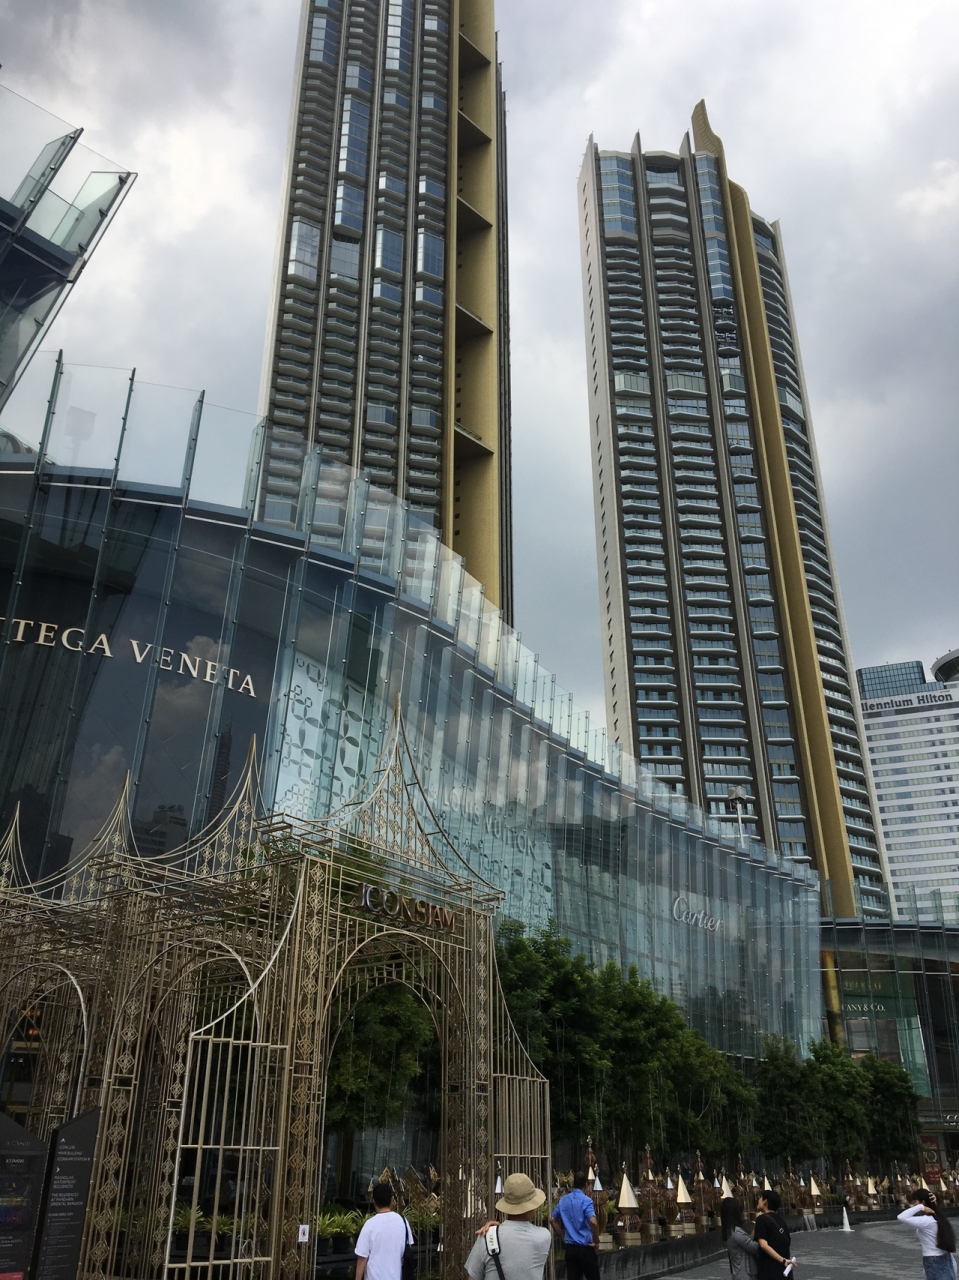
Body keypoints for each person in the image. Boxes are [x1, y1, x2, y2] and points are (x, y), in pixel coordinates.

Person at [465, 1173, 552, 1280]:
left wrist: (494, 1231)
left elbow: (472, 1277)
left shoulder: (486, 1237)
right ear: (532, 1207)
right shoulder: (543, 1237)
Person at [550, 1172, 600, 1280]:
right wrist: (596, 1241)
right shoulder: (586, 1201)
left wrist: (563, 1236)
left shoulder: (563, 1200)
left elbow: (552, 1220)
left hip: (571, 1248)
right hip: (586, 1248)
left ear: (573, 1183)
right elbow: (593, 1222)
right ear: (586, 1184)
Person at [898, 1188, 958, 1279]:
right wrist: (930, 1204)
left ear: (923, 1202)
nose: (914, 1204)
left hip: (933, 1259)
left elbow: (901, 1217)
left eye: (915, 1201)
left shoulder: (926, 1221)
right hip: (944, 1257)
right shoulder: (937, 1217)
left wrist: (921, 1207)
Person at [355, 1183, 411, 1280]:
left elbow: (362, 1259)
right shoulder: (402, 1221)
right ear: (391, 1200)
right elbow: (408, 1248)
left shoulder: (369, 1225)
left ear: (374, 1201)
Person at [753, 1190, 795, 1279]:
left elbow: (763, 1245)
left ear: (765, 1201)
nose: (758, 1200)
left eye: (760, 1198)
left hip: (770, 1271)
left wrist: (783, 1261)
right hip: (785, 1271)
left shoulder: (762, 1219)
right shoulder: (781, 1220)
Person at [720, 1196, 759, 1280]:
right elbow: (754, 1247)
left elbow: (747, 1241)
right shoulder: (736, 1233)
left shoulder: (730, 1231)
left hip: (739, 1273)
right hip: (745, 1274)